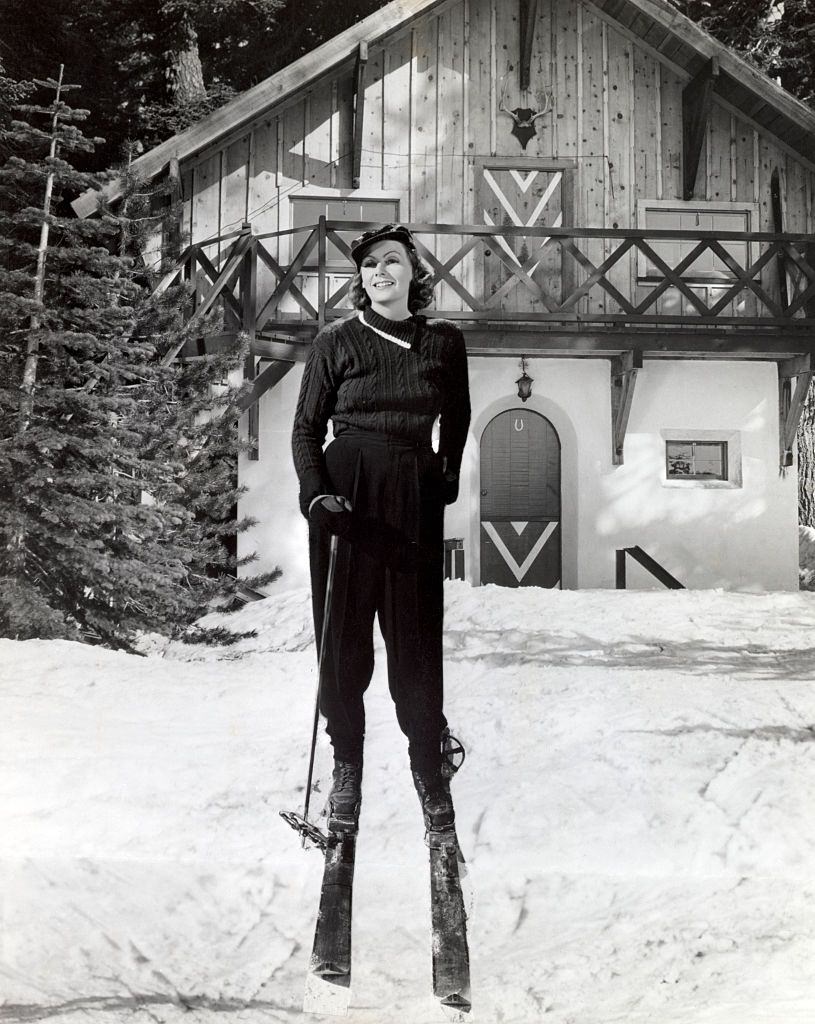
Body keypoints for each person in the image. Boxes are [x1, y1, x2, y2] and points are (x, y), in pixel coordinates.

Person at [291, 224, 471, 833]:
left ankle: (428, 759)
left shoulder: (444, 342)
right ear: (361, 279)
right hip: (346, 495)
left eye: (391, 262)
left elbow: (460, 417)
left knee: (415, 634)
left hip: (412, 493)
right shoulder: (335, 341)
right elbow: (305, 429)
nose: (379, 273)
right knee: (341, 635)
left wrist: (442, 477)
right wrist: (316, 494)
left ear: (413, 271)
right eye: (369, 266)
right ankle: (346, 761)